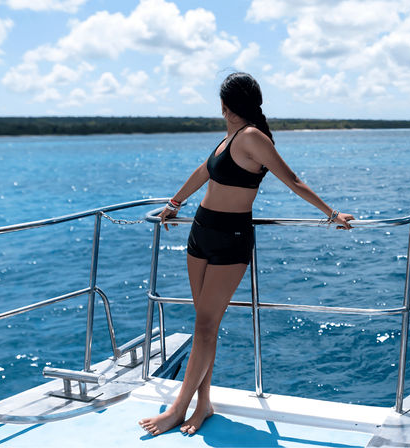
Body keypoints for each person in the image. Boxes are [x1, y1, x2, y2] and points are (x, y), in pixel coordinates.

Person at [138, 72, 354, 436]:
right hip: (201, 232)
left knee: (206, 326)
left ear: (227, 105)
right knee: (205, 326)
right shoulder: (229, 138)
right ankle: (202, 403)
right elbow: (204, 171)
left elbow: (293, 179)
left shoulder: (253, 137)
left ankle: (178, 408)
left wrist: (330, 213)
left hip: (231, 237)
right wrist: (174, 203)